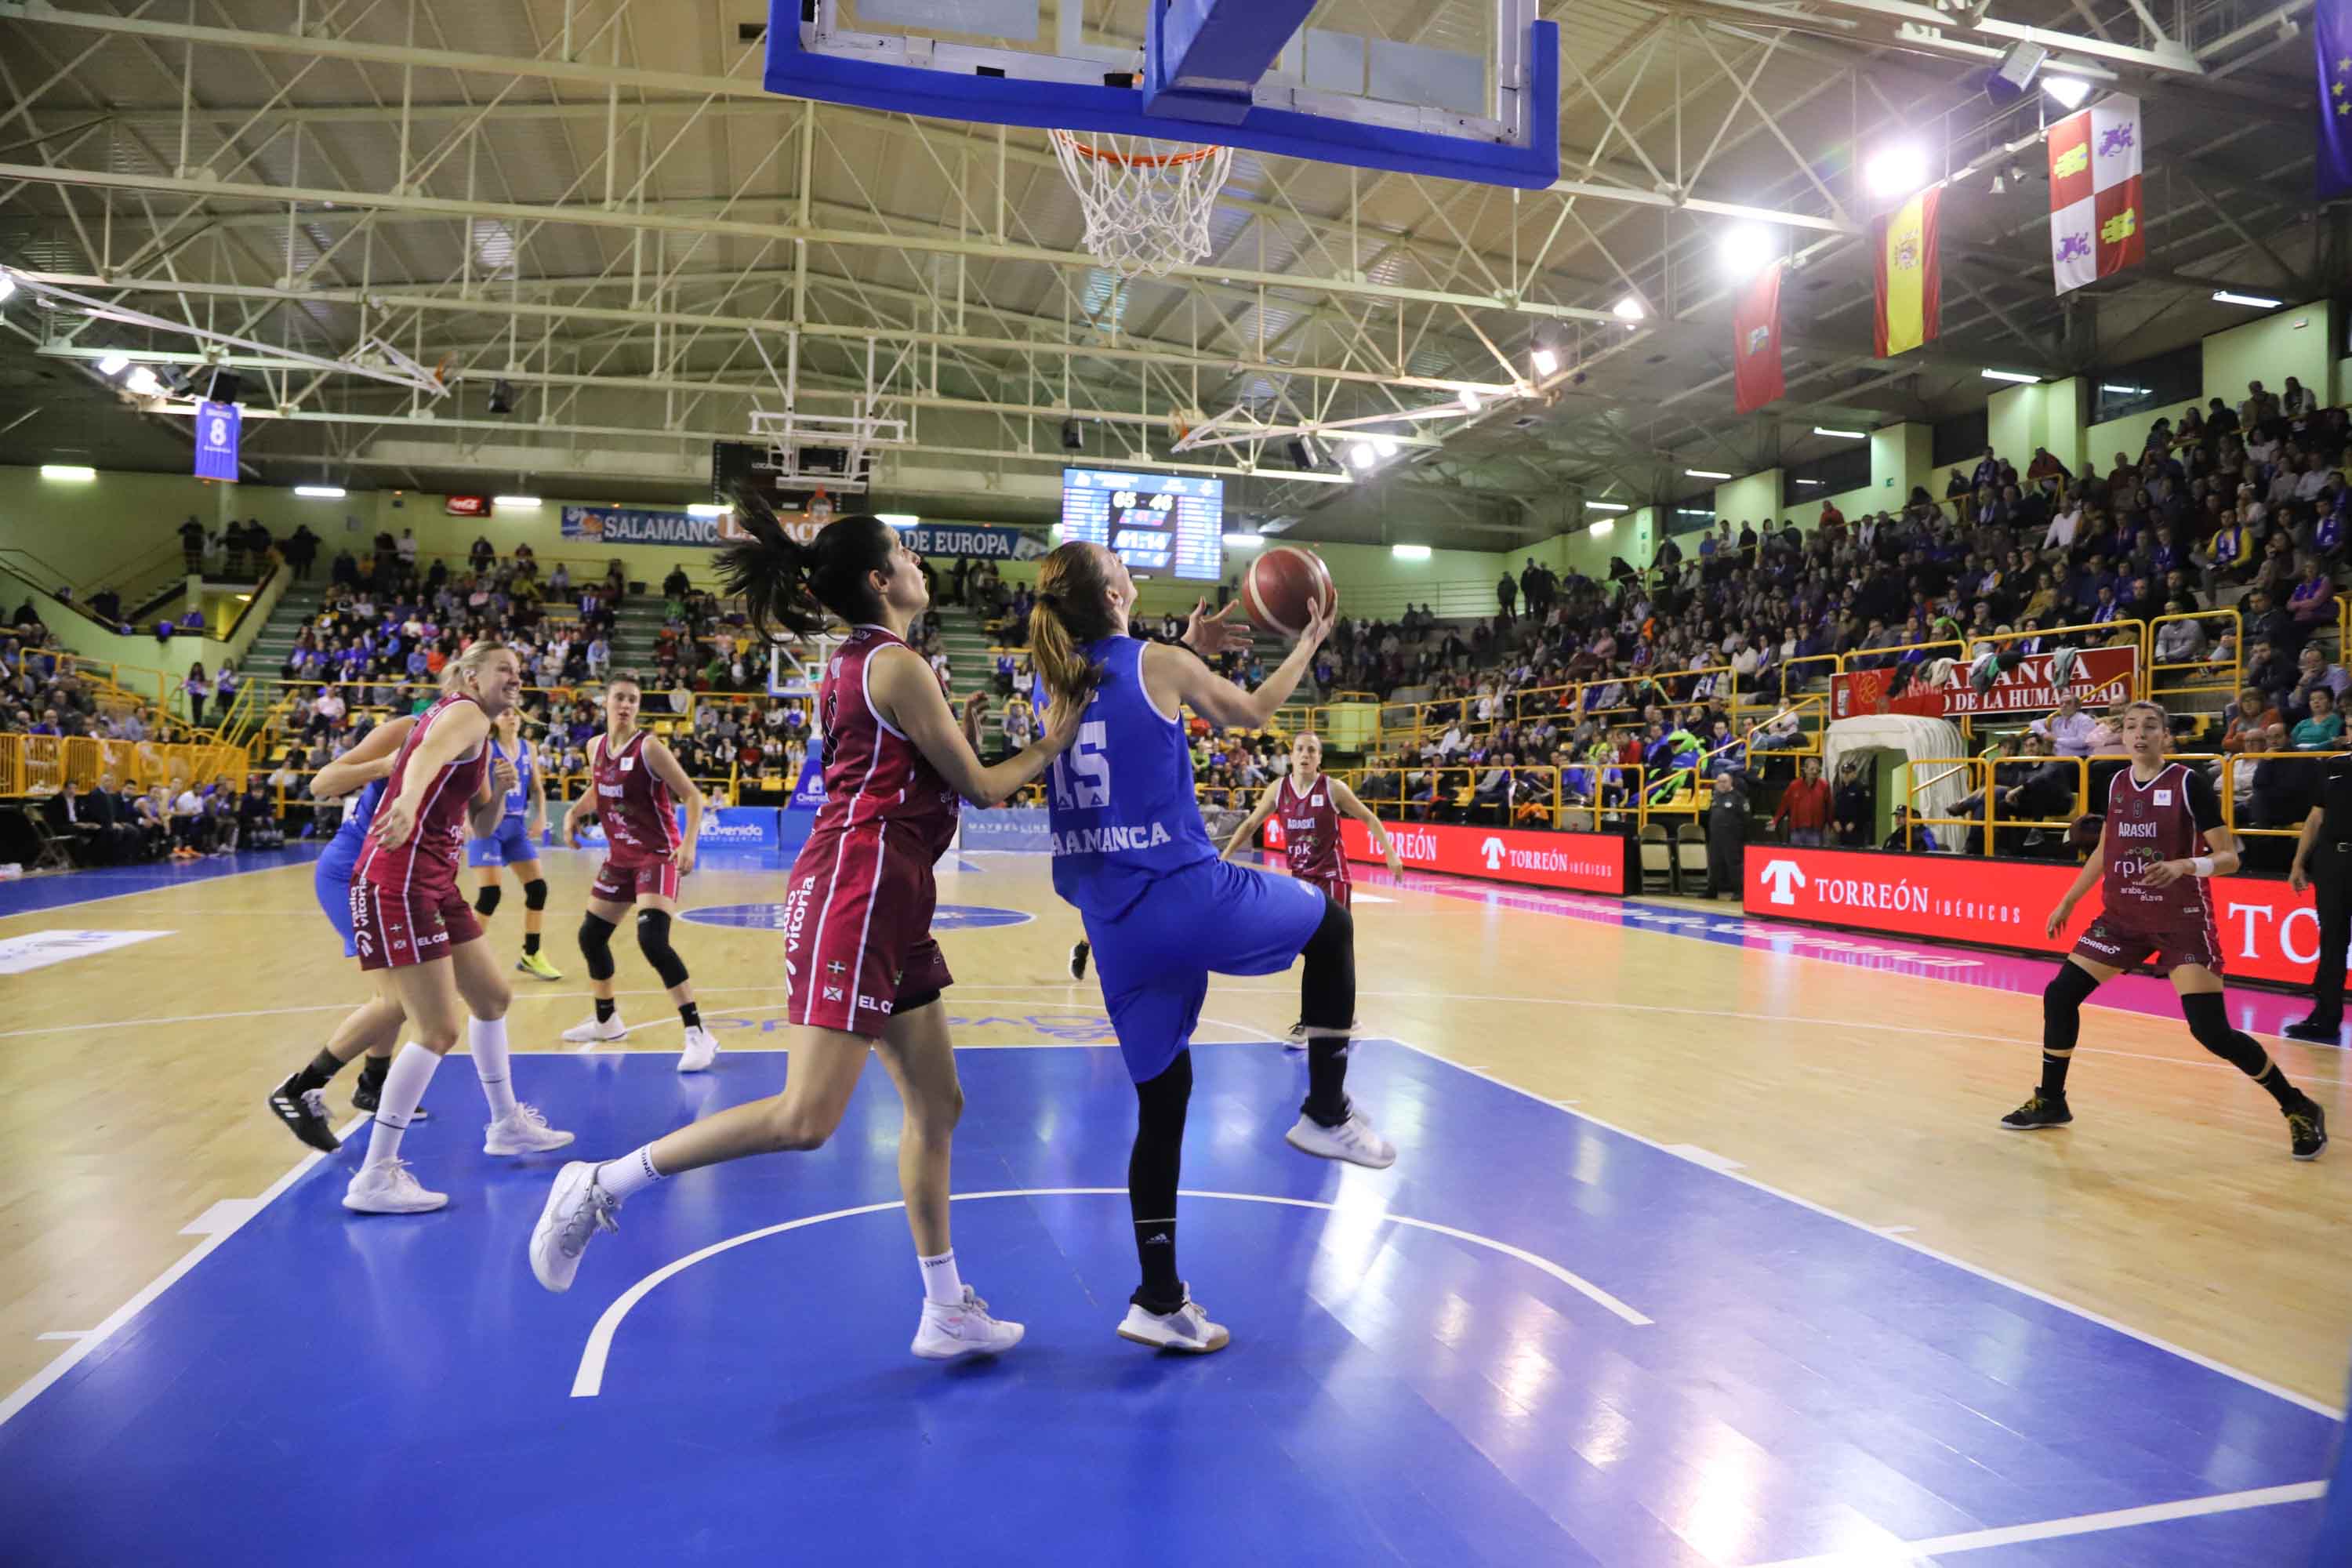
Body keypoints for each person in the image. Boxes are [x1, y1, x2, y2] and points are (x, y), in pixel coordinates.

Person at [530, 510, 1079, 1367]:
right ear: (879, 580)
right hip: (859, 891)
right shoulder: (892, 662)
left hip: (890, 894)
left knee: (938, 1104)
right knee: (806, 1117)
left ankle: (945, 1309)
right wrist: (1054, 738)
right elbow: (980, 786)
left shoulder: (863, 660)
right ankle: (603, 1183)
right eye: (903, 552)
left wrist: (972, 738)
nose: (917, 560)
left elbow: (920, 775)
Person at [1029, 539, 1391, 1358]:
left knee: (1163, 1104)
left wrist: (1185, 646)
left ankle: (1158, 1299)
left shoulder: (1058, 677)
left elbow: (1130, 691)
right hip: (1186, 894)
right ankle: (1326, 1111)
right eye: (1119, 565)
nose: (1129, 571)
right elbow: (1254, 711)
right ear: (1114, 593)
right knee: (1333, 925)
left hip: (1114, 923)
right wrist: (1307, 643)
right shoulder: (1158, 662)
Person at [2005, 700, 2326, 1160]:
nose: (2139, 733)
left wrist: (2185, 865)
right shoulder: (2116, 782)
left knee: (2211, 1031)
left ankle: (2298, 1106)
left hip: (2180, 920)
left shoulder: (2188, 783)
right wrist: (2069, 900)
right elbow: (2106, 848)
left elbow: (2230, 857)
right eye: (2131, 726)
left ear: (2165, 735)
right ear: (2123, 734)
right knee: (2060, 995)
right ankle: (2052, 1100)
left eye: (2150, 726)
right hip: (2123, 919)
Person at [343, 643, 574, 1214]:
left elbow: (482, 825)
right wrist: (406, 801)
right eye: (504, 669)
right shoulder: (464, 713)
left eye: (519, 671)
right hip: (399, 879)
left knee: (492, 998)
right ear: (471, 676)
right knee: (437, 1030)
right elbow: (422, 760)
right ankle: (375, 1175)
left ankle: (506, 1123)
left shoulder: (482, 734)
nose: (516, 678)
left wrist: (500, 789)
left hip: (436, 881)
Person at [264, 718, 429, 1152]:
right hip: (351, 873)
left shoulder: (471, 745)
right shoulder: (410, 728)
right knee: (398, 998)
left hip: (395, 879)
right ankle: (298, 1089)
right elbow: (322, 783)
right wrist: (383, 766)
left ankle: (373, 1084)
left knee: (396, 994)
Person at [554, 675, 717, 1072]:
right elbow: (599, 788)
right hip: (620, 857)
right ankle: (607, 1021)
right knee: (591, 936)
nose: (625, 705)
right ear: (605, 703)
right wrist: (574, 812)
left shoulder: (649, 748)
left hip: (657, 855)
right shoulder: (594, 747)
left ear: (638, 707)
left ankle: (699, 1033)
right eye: (619, 698)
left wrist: (689, 843)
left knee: (652, 940)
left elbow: (692, 795)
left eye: (632, 699)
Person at [1216, 730, 1402, 1044]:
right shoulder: (1279, 789)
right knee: (1313, 948)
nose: (1305, 755)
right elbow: (1250, 824)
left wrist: (1390, 853)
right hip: (1301, 881)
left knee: (1329, 947)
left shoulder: (1333, 788)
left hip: (1332, 877)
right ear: (1291, 756)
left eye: (1312, 751)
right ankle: (1343, 1012)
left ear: (1319, 758)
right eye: (1300, 749)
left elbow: (1370, 818)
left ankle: (1312, 1021)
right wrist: (1223, 858)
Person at [467, 706, 562, 982]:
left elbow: (537, 789)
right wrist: (465, 819)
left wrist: (541, 816)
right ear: (495, 720)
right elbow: (469, 786)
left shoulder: (528, 748)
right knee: (490, 895)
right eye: (505, 713)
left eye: (514, 713)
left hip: (516, 827)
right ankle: (466, 958)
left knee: (537, 889)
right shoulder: (487, 748)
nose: (511, 716)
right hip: (489, 826)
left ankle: (531, 954)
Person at [2284, 751, 2352, 1045]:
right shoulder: (2335, 764)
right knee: (2332, 941)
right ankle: (2325, 1018)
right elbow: (2315, 817)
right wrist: (2298, 863)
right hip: (2333, 861)